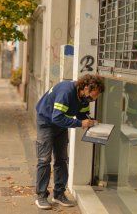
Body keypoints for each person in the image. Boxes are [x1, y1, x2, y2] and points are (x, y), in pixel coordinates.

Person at [34, 74, 105, 210]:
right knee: (44, 159)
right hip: (46, 122)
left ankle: (59, 194)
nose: (92, 100)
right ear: (85, 88)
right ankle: (41, 196)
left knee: (61, 159)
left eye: (95, 98)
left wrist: (91, 122)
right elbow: (57, 117)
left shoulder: (84, 97)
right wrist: (80, 123)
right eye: (91, 97)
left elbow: (82, 115)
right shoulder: (66, 92)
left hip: (60, 123)